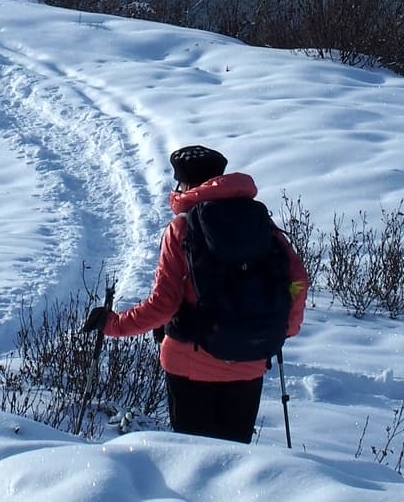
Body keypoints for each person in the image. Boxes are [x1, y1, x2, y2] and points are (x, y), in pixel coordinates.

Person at [83, 144, 308, 444]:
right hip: (249, 361)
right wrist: (281, 329)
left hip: (188, 365)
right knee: (234, 461)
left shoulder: (182, 229)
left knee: (195, 462)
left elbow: (163, 307)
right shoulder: (261, 224)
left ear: (185, 183)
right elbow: (297, 282)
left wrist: (113, 324)